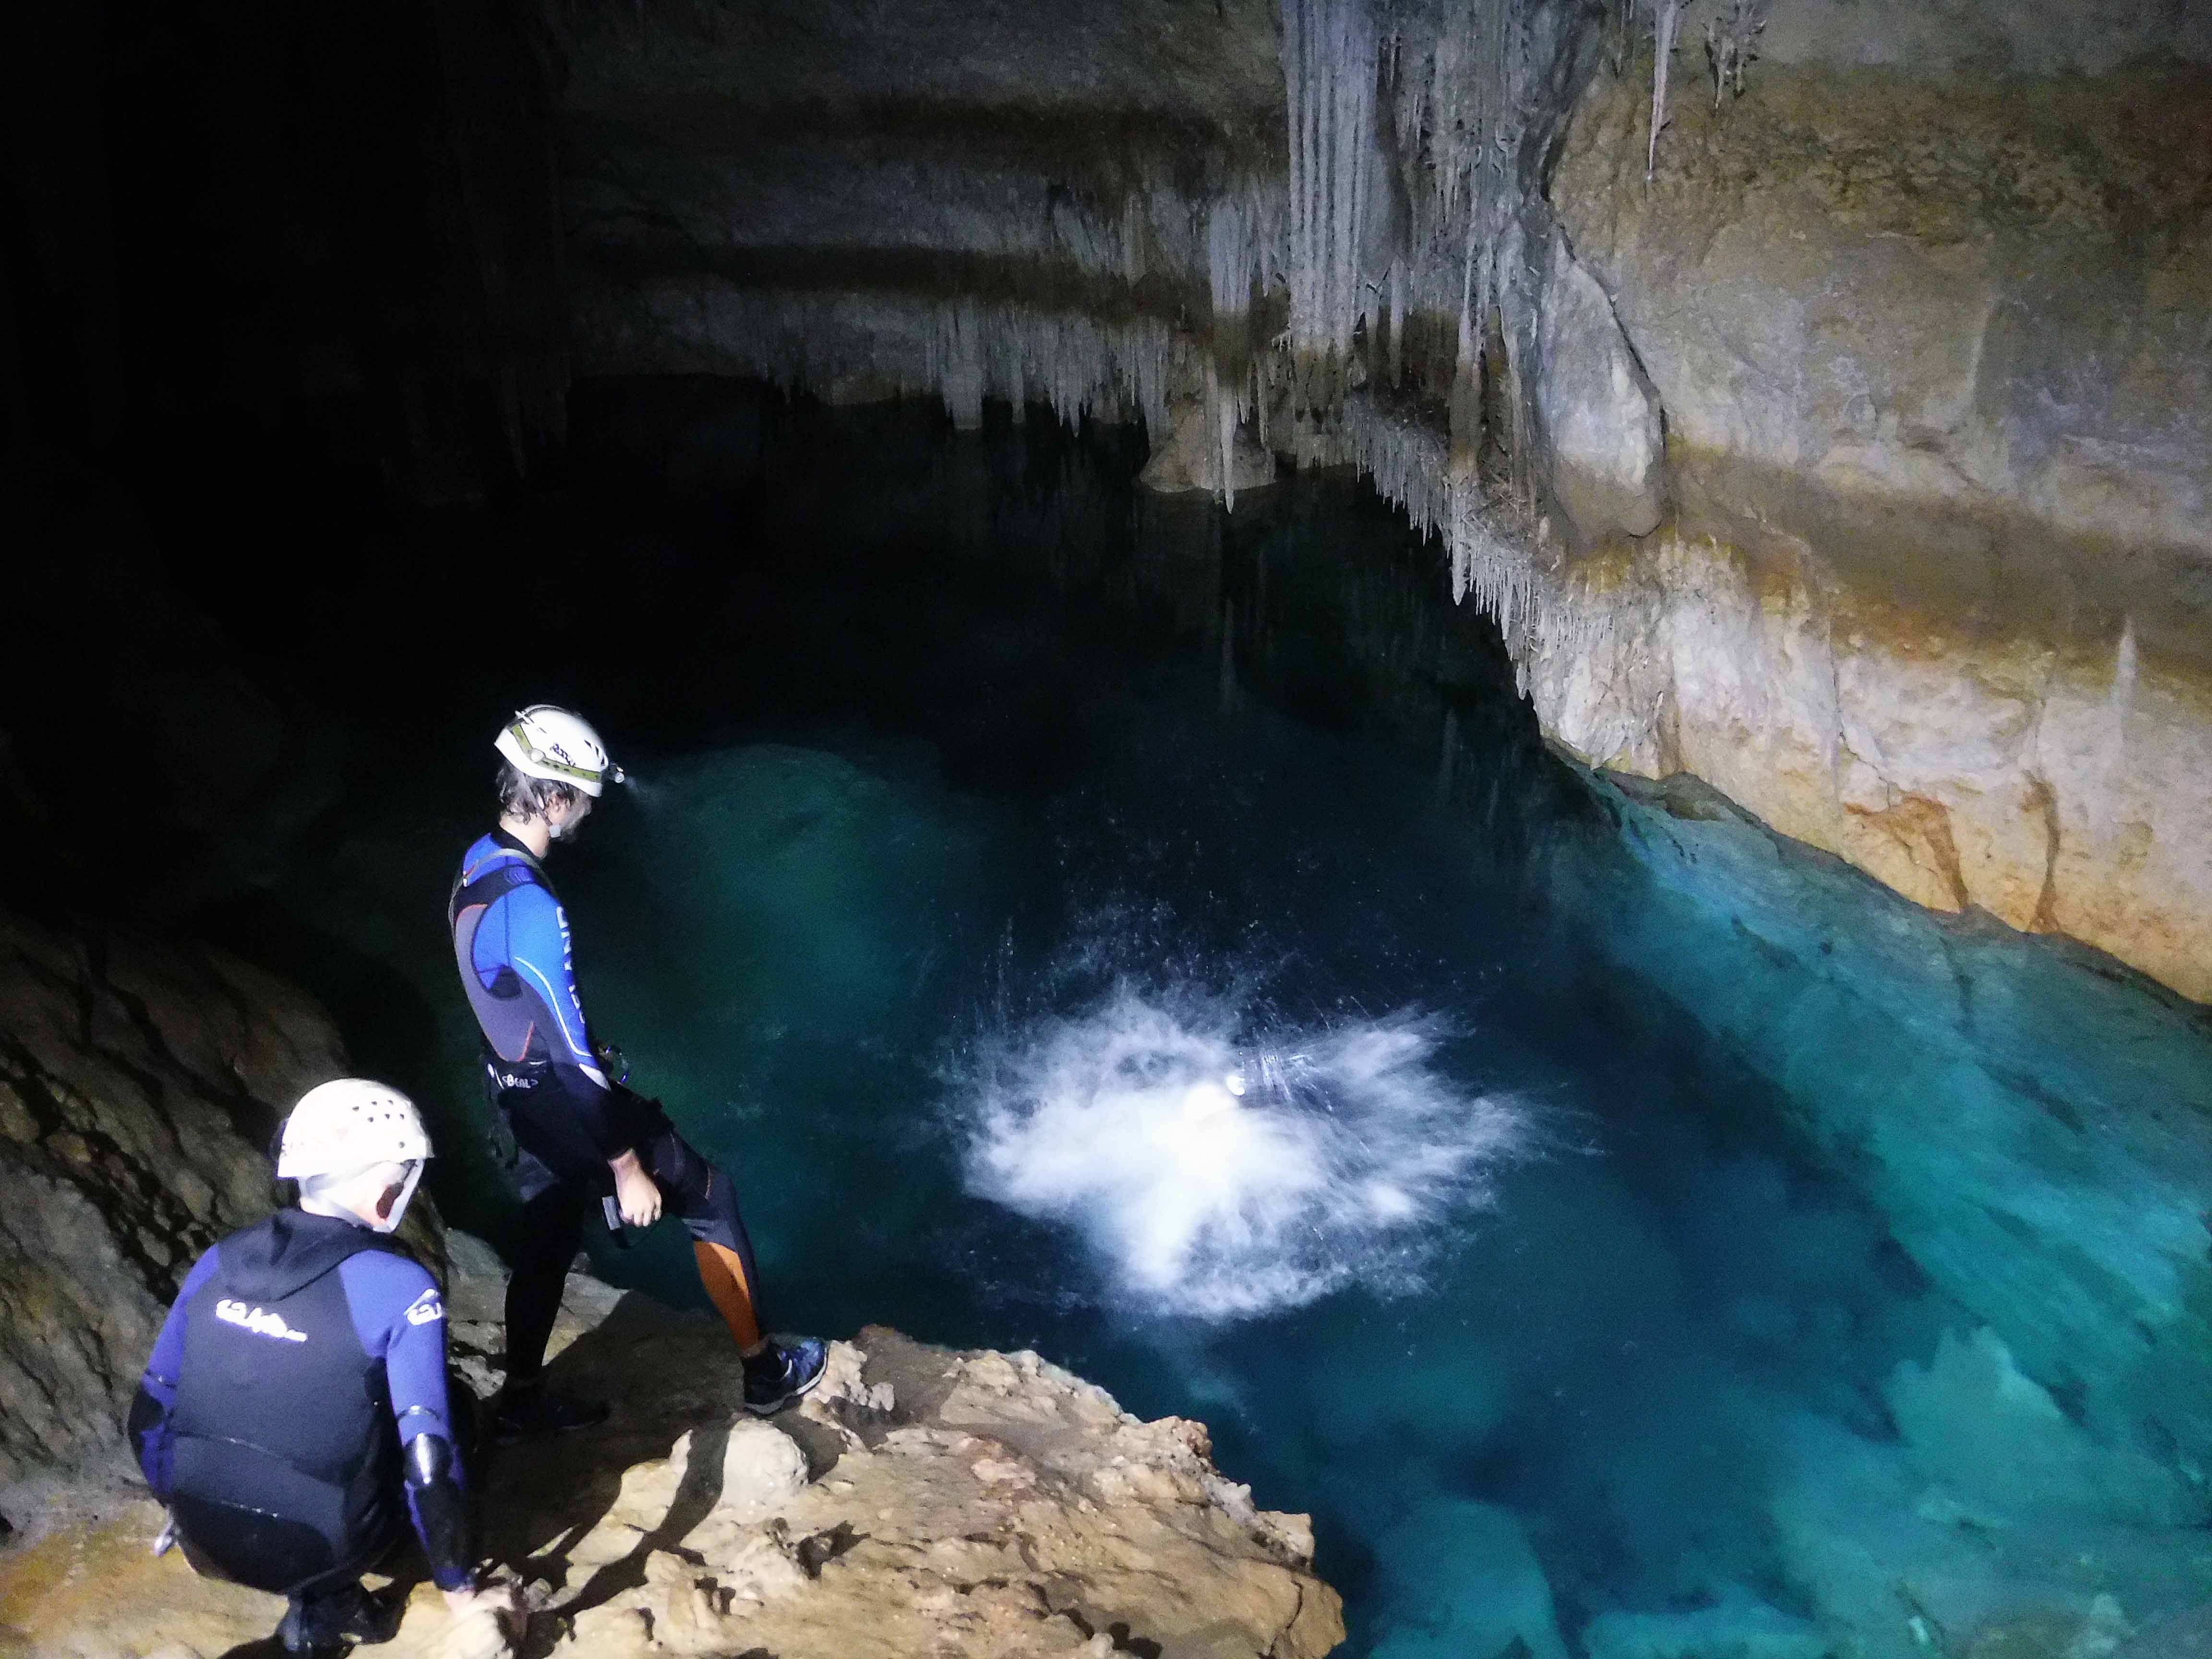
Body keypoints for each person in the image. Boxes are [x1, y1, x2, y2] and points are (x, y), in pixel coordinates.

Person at [449, 704, 825, 1437]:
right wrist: (625, 1164)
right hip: (565, 1104)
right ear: (553, 800)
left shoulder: (475, 865)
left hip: (514, 1102)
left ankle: (521, 1398)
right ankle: (764, 1374)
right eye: (582, 800)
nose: (586, 814)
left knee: (548, 1241)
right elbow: (575, 1059)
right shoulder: (531, 909)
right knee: (713, 1197)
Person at [129, 1079, 521, 1658]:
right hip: (323, 1551)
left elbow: (148, 1412)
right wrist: (461, 1590)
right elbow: (429, 1460)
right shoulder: (401, 1288)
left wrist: (182, 1510)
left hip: (202, 1542)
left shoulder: (219, 1258)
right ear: (388, 1188)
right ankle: (332, 1606)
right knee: (455, 1412)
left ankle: (306, 1591)